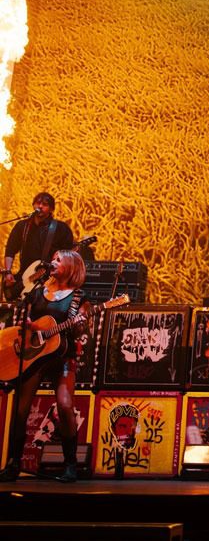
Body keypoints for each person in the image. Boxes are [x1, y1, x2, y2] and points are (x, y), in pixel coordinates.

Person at [0, 250, 90, 483]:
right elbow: (29, 323)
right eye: (54, 258)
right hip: (34, 357)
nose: (53, 262)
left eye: (59, 259)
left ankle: (70, 465)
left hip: (62, 357)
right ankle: (13, 464)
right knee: (20, 409)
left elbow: (80, 329)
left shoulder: (78, 297)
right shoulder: (38, 292)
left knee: (65, 405)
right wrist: (29, 326)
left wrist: (80, 324)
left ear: (71, 267)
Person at [4, 192, 75, 301]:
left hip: (49, 279)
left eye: (45, 204)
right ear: (33, 205)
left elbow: (67, 257)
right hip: (25, 276)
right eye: (38, 203)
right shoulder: (22, 226)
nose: (40, 206)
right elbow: (10, 250)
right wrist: (8, 272)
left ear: (51, 209)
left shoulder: (61, 228)